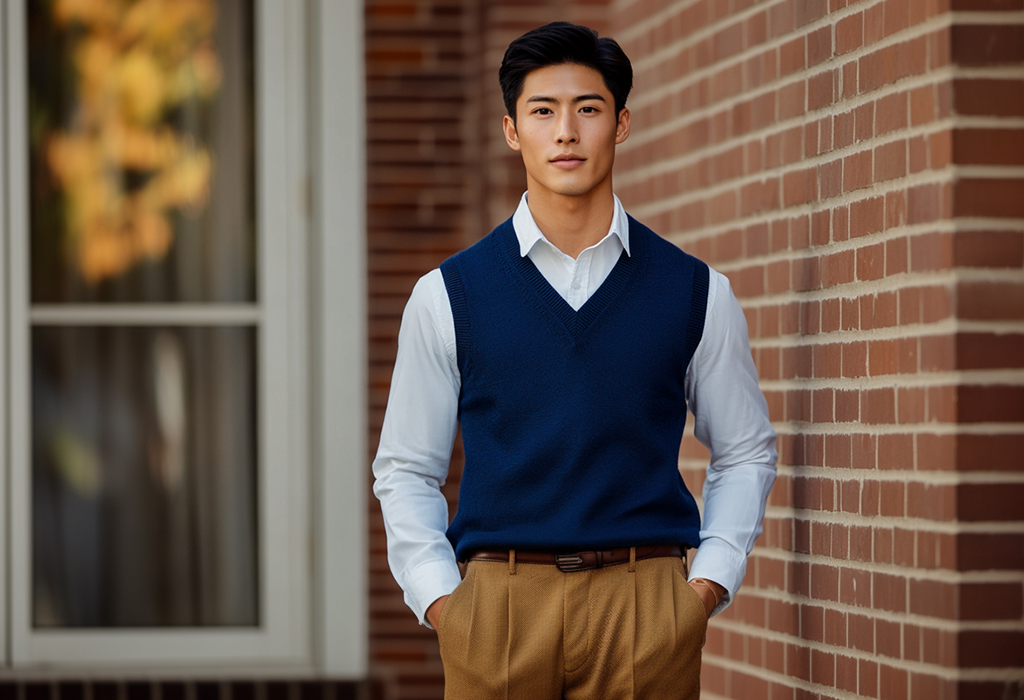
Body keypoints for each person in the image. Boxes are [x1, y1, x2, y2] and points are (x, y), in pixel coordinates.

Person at [372, 21, 777, 700]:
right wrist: (446, 604)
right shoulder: (448, 296)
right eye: (543, 111)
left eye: (588, 109)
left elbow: (745, 449)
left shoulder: (695, 292)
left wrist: (706, 585)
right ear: (511, 131)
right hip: (497, 611)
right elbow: (407, 468)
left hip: (645, 607)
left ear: (620, 124)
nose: (566, 131)